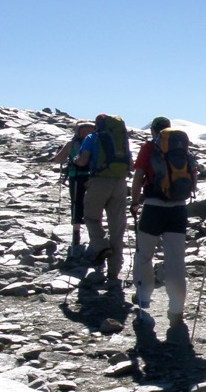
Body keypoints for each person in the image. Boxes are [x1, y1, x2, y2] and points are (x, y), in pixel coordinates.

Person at [129, 116, 195, 326]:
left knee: (144, 253)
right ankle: (176, 309)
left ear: (153, 131)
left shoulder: (149, 148)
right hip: (178, 209)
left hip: (153, 208)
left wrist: (135, 201)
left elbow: (138, 175)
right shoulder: (182, 149)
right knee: (175, 259)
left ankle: (144, 297)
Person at [74, 114, 131, 287]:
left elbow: (83, 161)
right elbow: (131, 164)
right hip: (120, 184)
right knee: (117, 227)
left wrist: (75, 160)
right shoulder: (122, 139)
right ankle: (114, 273)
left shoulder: (93, 137)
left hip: (99, 181)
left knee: (91, 217)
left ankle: (101, 245)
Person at [53, 121, 96, 251]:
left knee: (76, 204)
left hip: (76, 177)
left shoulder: (71, 144)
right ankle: (94, 237)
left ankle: (76, 236)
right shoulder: (95, 143)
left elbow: (58, 159)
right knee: (92, 205)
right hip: (93, 178)